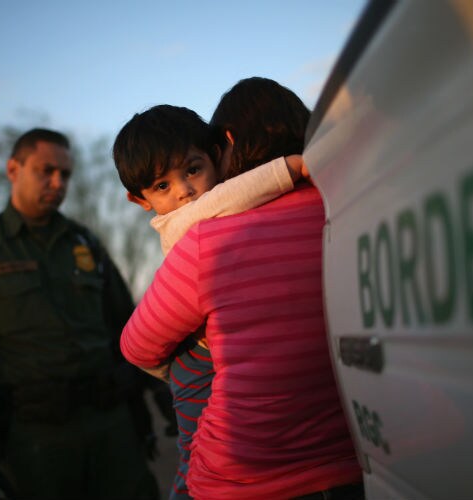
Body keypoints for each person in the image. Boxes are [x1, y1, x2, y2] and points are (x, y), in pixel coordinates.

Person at [120, 77, 364, 499]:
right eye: (163, 186)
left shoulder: (208, 237)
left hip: (242, 469)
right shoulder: (349, 208)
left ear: (223, 146)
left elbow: (137, 346)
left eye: (193, 170)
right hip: (350, 453)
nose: (186, 192)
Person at [0, 128, 160, 500]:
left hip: (111, 426)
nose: (57, 182)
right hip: (35, 439)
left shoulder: (86, 243)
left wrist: (162, 398)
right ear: (13, 169)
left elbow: (133, 326)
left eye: (65, 174)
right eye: (45, 171)